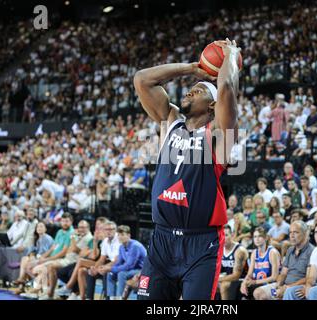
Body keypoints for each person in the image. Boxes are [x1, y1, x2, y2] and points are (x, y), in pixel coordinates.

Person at [134, 38, 241, 300]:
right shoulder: (170, 122)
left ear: (213, 106)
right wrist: (192, 69)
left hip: (201, 244)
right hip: (162, 240)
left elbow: (226, 86)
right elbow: (142, 79)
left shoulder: (218, 135)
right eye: (190, 89)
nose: (190, 92)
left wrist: (231, 55)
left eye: (199, 91)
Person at [255, 221, 314, 300]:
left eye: (295, 232)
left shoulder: (312, 251)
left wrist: (287, 287)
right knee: (258, 293)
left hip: (298, 286)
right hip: (284, 284)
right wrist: (279, 285)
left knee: (288, 292)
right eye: (290, 232)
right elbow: (283, 273)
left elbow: (308, 278)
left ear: (304, 234)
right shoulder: (290, 250)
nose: (292, 236)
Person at [55, 217, 108, 300]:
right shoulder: (95, 238)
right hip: (91, 261)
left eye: (99, 225)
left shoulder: (105, 239)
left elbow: (94, 256)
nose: (97, 227)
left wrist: (93, 245)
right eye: (97, 225)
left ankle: (69, 287)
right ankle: (82, 297)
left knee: (79, 262)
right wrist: (95, 242)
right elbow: (84, 254)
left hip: (101, 264)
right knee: (81, 270)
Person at [42, 220, 93, 299]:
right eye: (79, 227)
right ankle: (52, 293)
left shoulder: (89, 238)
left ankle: (55, 293)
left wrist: (72, 238)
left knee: (52, 267)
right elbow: (70, 249)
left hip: (74, 261)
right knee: (51, 267)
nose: (80, 229)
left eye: (83, 227)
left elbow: (76, 250)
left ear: (88, 228)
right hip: (68, 259)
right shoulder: (80, 236)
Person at [80, 221, 120, 300]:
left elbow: (116, 261)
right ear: (104, 231)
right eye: (107, 229)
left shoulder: (118, 240)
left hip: (119, 265)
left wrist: (103, 268)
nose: (109, 231)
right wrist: (95, 268)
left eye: (112, 229)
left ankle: (107, 297)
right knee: (90, 272)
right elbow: (102, 259)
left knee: (106, 272)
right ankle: (89, 297)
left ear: (116, 230)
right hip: (110, 264)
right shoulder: (105, 241)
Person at [106, 225, 147, 300]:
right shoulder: (121, 247)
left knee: (121, 274)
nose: (120, 237)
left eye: (122, 235)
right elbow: (119, 262)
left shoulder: (135, 246)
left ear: (129, 235)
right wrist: (109, 269)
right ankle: (111, 298)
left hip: (142, 270)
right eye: (118, 235)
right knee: (110, 274)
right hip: (132, 270)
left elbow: (129, 265)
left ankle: (119, 298)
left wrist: (111, 268)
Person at [241, 227, 280, 299]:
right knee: (241, 289)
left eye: (260, 236)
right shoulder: (254, 253)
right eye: (255, 236)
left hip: (272, 285)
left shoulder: (272, 252)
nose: (257, 239)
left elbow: (274, 277)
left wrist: (255, 282)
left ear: (265, 238)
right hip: (258, 283)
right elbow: (249, 274)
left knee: (256, 292)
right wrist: (244, 283)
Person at [14, 222, 53, 292]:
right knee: (25, 258)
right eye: (38, 227)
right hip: (38, 258)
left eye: (41, 226)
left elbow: (46, 253)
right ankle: (21, 281)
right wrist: (32, 256)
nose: (39, 228)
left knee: (27, 264)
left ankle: (22, 284)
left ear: (45, 229)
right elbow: (31, 251)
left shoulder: (47, 238)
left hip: (46, 259)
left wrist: (35, 258)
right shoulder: (37, 239)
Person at [218, 225, 249, 300]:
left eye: (226, 235)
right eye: (221, 235)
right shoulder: (219, 249)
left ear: (232, 235)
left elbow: (236, 275)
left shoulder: (239, 251)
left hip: (241, 279)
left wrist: (217, 279)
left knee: (224, 286)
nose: (223, 238)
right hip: (227, 278)